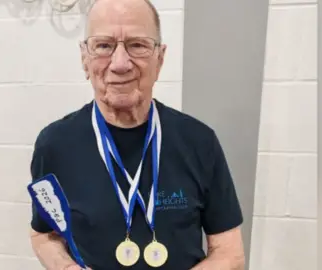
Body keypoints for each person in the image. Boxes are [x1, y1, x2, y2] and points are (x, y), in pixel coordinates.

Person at [28, 0, 245, 269]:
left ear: (160, 58)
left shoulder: (200, 141)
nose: (120, 64)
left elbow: (230, 252)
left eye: (137, 45)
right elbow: (44, 234)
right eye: (104, 46)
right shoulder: (54, 145)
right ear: (85, 58)